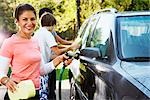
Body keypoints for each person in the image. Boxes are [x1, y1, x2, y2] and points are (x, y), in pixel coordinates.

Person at [0, 4, 71, 100]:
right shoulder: (10, 43)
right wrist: (6, 80)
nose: (29, 23)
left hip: (35, 93)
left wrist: (60, 59)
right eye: (25, 19)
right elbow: (1, 73)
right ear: (17, 21)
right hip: (18, 94)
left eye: (32, 19)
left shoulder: (35, 41)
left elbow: (41, 70)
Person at [34, 10, 75, 99]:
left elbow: (51, 54)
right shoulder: (47, 34)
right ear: (52, 23)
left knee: (42, 95)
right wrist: (70, 47)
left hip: (35, 69)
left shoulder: (37, 33)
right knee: (46, 95)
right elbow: (57, 51)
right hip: (43, 70)